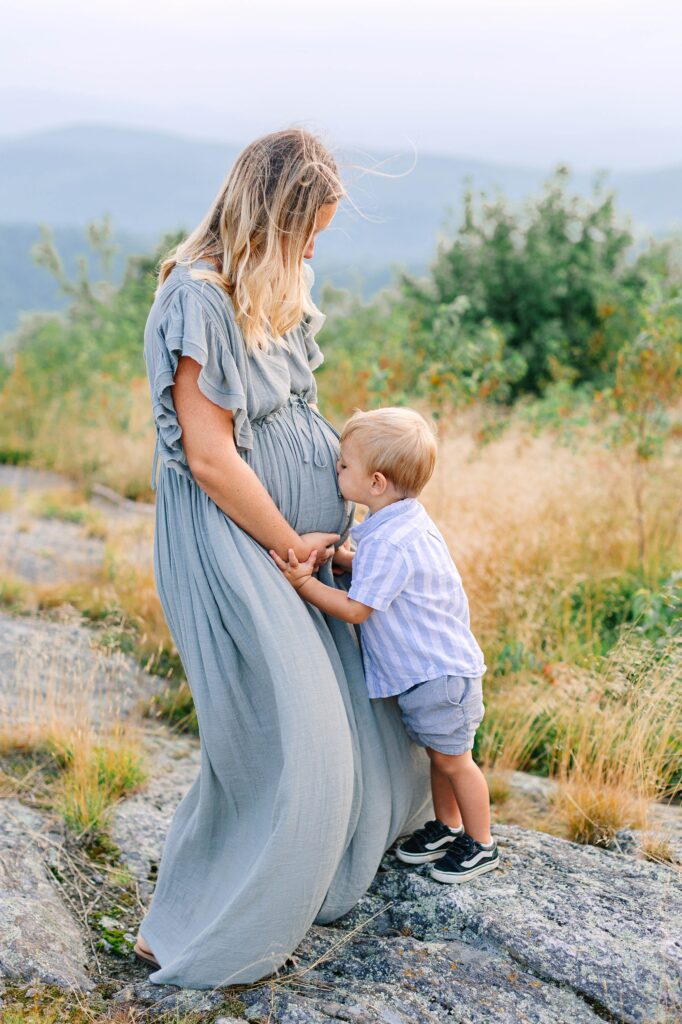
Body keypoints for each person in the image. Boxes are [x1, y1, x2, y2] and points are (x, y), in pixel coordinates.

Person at [135, 129, 432, 988]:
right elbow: (210, 455)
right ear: (272, 217)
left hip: (299, 543)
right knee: (281, 737)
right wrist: (284, 540)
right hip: (241, 541)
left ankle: (304, 880)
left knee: (355, 719)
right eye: (306, 232)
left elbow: (291, 409)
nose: (311, 250)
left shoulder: (273, 288)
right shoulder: (196, 298)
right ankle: (196, 924)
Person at [271, 406, 499, 884]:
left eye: (343, 466)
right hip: (428, 676)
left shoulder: (394, 541)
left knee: (456, 762)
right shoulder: (396, 523)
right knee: (439, 757)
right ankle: (446, 825)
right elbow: (373, 570)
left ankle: (481, 843)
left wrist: (304, 585)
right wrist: (341, 557)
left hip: (441, 678)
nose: (337, 470)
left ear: (375, 482)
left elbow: (357, 609)